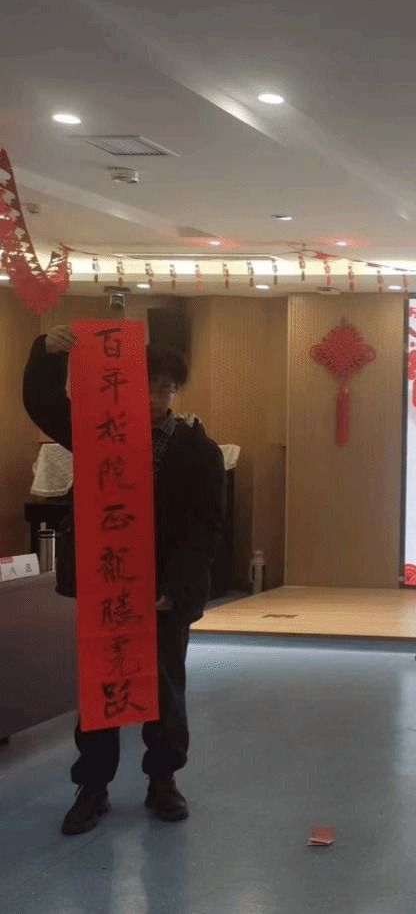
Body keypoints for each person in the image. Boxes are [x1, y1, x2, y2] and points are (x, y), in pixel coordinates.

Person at [23, 325, 226, 835]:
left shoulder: (198, 449)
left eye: (167, 388)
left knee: (165, 685)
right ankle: (93, 785)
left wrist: (175, 587)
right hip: (107, 581)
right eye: (148, 386)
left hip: (164, 589)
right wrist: (46, 354)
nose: (158, 397)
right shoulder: (99, 430)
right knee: (102, 683)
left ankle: (163, 779)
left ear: (176, 392)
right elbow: (44, 403)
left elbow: (205, 528)